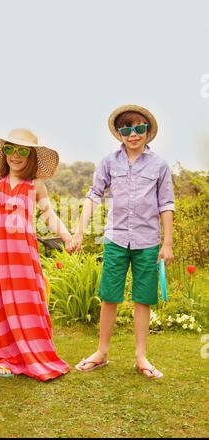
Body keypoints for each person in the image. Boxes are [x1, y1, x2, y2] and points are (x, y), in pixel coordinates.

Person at [72, 105, 175, 379]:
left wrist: (167, 243)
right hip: (116, 238)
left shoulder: (160, 166)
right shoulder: (108, 162)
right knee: (109, 296)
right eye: (127, 129)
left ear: (147, 131)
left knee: (143, 299)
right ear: (119, 133)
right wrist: (79, 231)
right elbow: (94, 195)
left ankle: (141, 357)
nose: (133, 134)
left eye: (139, 128)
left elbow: (166, 204)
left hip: (148, 241)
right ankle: (101, 352)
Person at [0, 128, 72, 381]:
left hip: (21, 254)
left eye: (22, 151)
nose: (15, 156)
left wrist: (67, 237)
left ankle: (33, 354)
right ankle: (6, 356)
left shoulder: (35, 185)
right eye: (10, 149)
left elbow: (48, 215)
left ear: (31, 156)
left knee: (27, 302)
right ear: (4, 152)